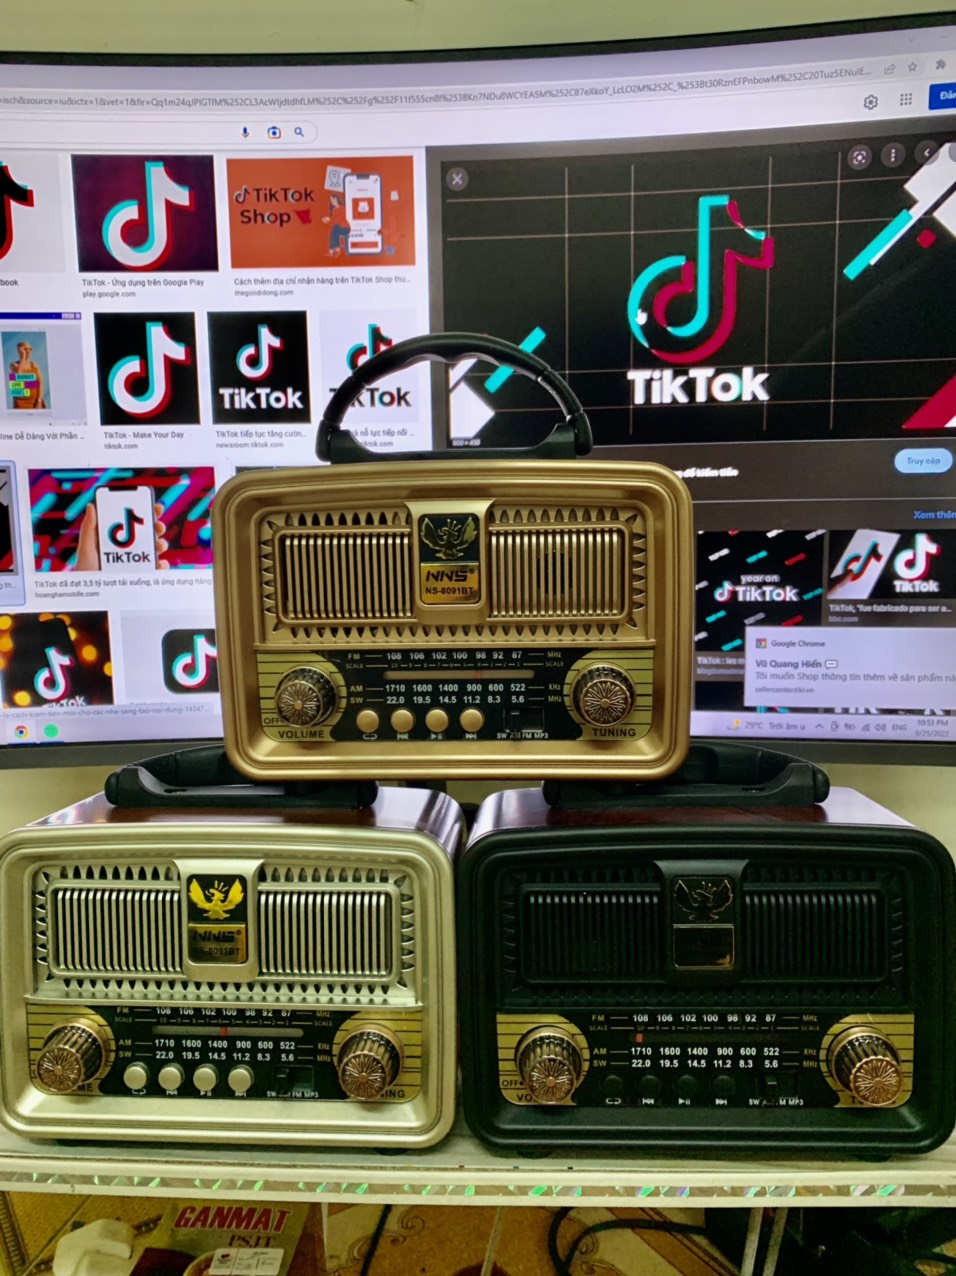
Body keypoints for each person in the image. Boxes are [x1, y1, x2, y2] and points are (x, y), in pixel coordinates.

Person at [9, 340, 46, 410]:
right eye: (25, 349)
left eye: (30, 349)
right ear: (19, 351)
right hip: (21, 403)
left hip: (36, 402)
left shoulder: (35, 365)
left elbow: (40, 384)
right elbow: (18, 376)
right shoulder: (14, 365)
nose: (28, 351)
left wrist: (39, 401)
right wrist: (23, 356)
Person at [322, 191, 350, 257]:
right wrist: (326, 221)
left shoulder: (342, 208)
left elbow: (338, 221)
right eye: (331, 200)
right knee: (333, 231)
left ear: (336, 199)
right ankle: (334, 251)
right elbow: (334, 222)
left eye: (333, 200)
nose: (332, 201)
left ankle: (333, 251)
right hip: (338, 228)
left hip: (345, 228)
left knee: (334, 230)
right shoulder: (334, 209)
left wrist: (329, 220)